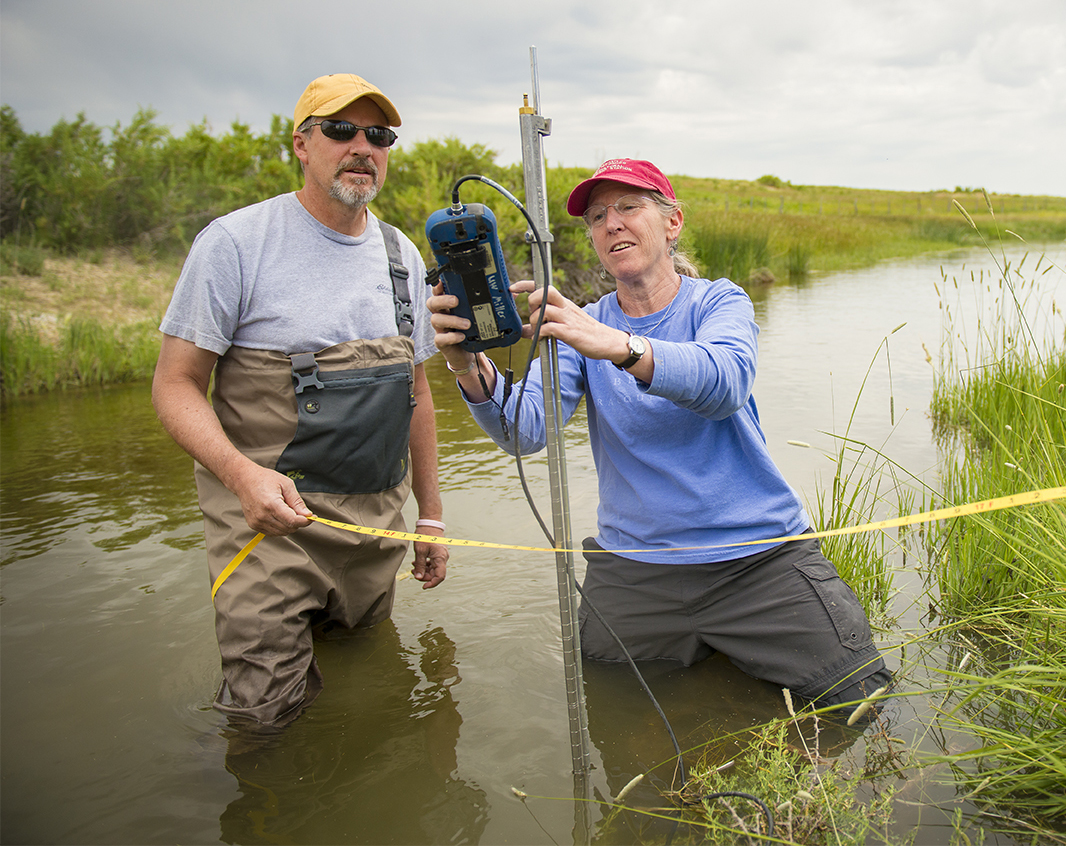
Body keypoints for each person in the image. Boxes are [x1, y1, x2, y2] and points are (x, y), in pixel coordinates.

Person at [428, 158, 892, 716]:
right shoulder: (580, 326)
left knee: (861, 702)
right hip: (634, 571)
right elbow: (525, 431)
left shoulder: (719, 301)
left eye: (629, 206)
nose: (611, 224)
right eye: (597, 216)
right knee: (612, 708)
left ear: (671, 223)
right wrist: (465, 364)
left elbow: (723, 383)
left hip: (754, 560)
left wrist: (617, 345)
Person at [153, 73, 448, 726]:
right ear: (301, 144)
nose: (361, 147)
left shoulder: (402, 255)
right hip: (264, 536)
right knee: (265, 722)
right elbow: (174, 385)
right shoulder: (235, 245)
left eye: (378, 135)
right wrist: (240, 474)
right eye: (340, 130)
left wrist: (430, 514)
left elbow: (417, 393)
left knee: (367, 698)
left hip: (373, 533)